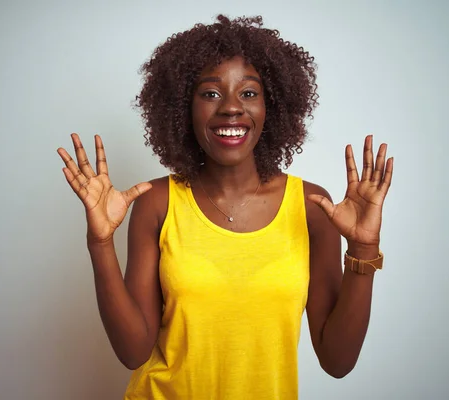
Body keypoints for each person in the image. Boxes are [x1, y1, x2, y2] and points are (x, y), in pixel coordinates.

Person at [57, 15, 393, 400]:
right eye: (211, 93)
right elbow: (133, 352)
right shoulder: (156, 203)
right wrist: (100, 244)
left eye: (248, 93)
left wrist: (364, 250)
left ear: (273, 106)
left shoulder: (312, 207)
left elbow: (338, 361)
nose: (231, 108)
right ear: (184, 106)